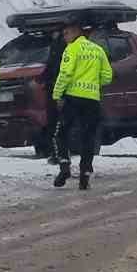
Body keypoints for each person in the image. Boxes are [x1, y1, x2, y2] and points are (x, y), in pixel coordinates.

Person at [52, 24, 113, 190]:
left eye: (66, 33)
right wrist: (93, 84)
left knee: (61, 134)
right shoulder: (98, 50)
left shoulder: (72, 49)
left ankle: (64, 166)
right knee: (88, 137)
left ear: (75, 33)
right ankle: (85, 173)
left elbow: (65, 73)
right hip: (92, 100)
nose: (64, 37)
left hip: (72, 99)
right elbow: (107, 76)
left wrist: (57, 94)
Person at [40, 32, 67, 163]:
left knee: (57, 123)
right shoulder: (57, 45)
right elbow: (52, 65)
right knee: (56, 122)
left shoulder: (62, 45)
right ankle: (57, 153)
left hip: (59, 89)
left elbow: (58, 68)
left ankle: (59, 154)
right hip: (55, 88)